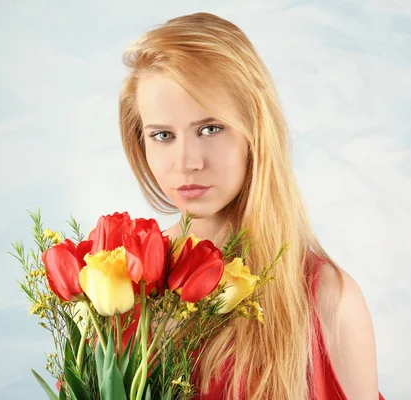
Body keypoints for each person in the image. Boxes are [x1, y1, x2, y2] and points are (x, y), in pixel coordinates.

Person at [118, 12, 385, 400]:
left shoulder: (328, 301)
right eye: (162, 135)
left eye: (210, 129)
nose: (187, 161)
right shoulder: (123, 279)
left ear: (255, 131)